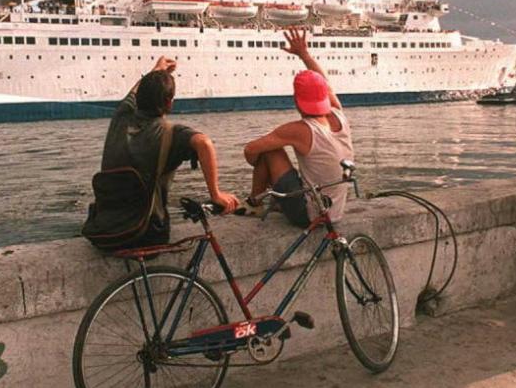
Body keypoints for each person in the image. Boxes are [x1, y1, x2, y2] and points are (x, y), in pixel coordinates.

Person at [94, 56, 238, 247]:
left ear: (138, 98)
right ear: (169, 103)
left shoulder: (120, 118)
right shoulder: (170, 133)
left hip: (104, 231)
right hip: (145, 235)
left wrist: (157, 69)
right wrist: (216, 194)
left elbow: (134, 92)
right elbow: (204, 143)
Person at [240, 28, 354, 227]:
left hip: (310, 215)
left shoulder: (300, 129)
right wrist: (304, 54)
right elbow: (324, 82)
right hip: (334, 211)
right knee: (274, 152)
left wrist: (260, 167)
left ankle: (254, 203)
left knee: (270, 150)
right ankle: (276, 200)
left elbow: (250, 150)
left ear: (296, 100)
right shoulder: (338, 113)